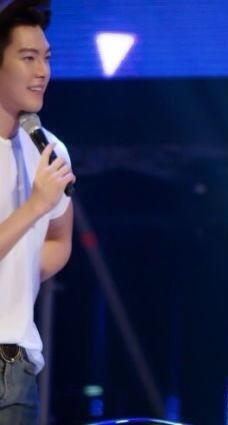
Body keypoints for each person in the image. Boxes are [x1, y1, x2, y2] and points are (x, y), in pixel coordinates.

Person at [0, 1, 75, 422]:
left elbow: (60, 238)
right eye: (28, 58)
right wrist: (34, 206)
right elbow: (40, 212)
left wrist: (21, 271)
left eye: (46, 58)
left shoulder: (48, 149)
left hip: (17, 366)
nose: (42, 71)